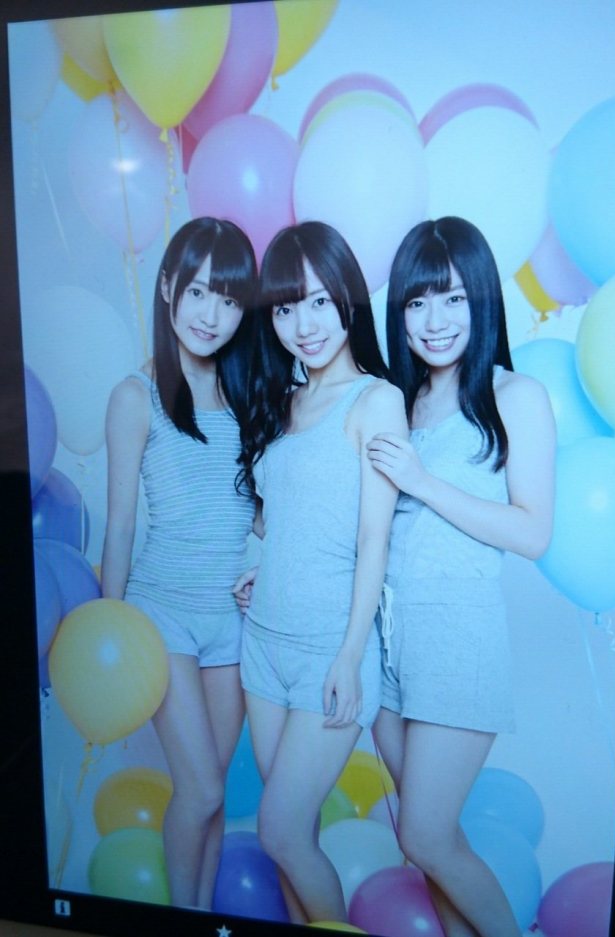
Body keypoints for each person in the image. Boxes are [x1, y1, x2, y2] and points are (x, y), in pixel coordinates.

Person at [367, 217, 556, 937]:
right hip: (387, 648)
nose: (435, 320)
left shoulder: (515, 396)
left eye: (452, 298)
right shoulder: (398, 400)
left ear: (482, 298)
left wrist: (423, 480)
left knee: (424, 834)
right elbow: (373, 526)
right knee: (430, 845)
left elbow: (532, 532)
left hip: (458, 643)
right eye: (417, 302)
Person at [234, 221, 407, 925]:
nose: (302, 325)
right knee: (290, 839)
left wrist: (349, 655)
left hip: (327, 653)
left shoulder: (376, 400)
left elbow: (374, 538)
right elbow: (282, 514)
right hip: (262, 645)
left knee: (277, 831)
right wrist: (261, 567)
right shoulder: (284, 400)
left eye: (317, 303)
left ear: (347, 300)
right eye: (284, 308)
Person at [101, 217, 257, 910]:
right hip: (162, 615)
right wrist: (112, 636)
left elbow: (257, 512)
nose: (211, 315)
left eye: (228, 299)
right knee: (201, 788)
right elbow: (120, 525)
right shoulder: (134, 396)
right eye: (198, 292)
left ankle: (202, 917)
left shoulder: (245, 392)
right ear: (167, 287)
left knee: (213, 795)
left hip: (231, 623)